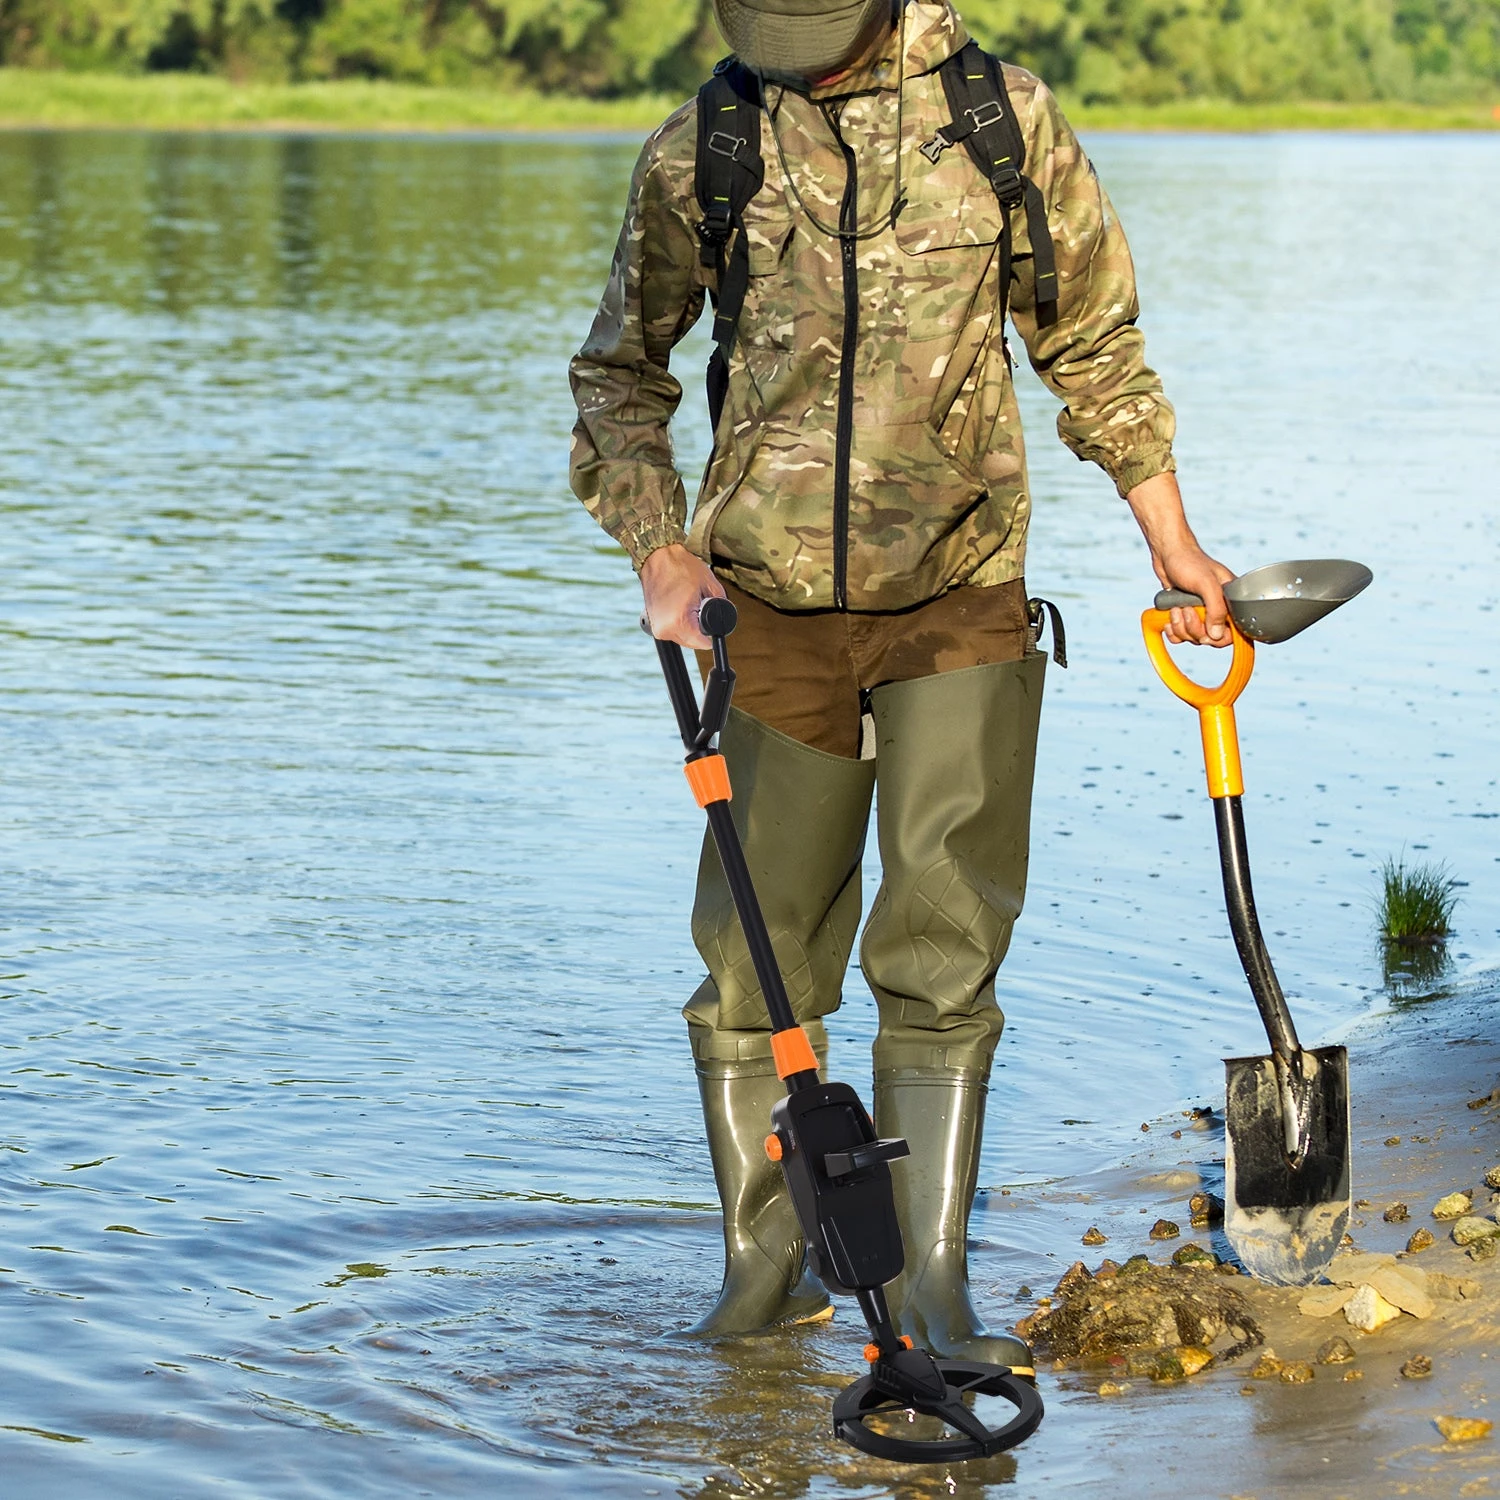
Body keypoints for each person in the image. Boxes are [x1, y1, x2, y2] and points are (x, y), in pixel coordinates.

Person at [569, 0, 1232, 1369]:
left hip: (962, 601)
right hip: (768, 616)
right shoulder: (708, 140)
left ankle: (931, 1285)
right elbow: (618, 376)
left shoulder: (1004, 123)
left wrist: (1172, 539)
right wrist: (658, 543)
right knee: (755, 967)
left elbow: (1093, 348)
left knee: (941, 957)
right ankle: (770, 1281)